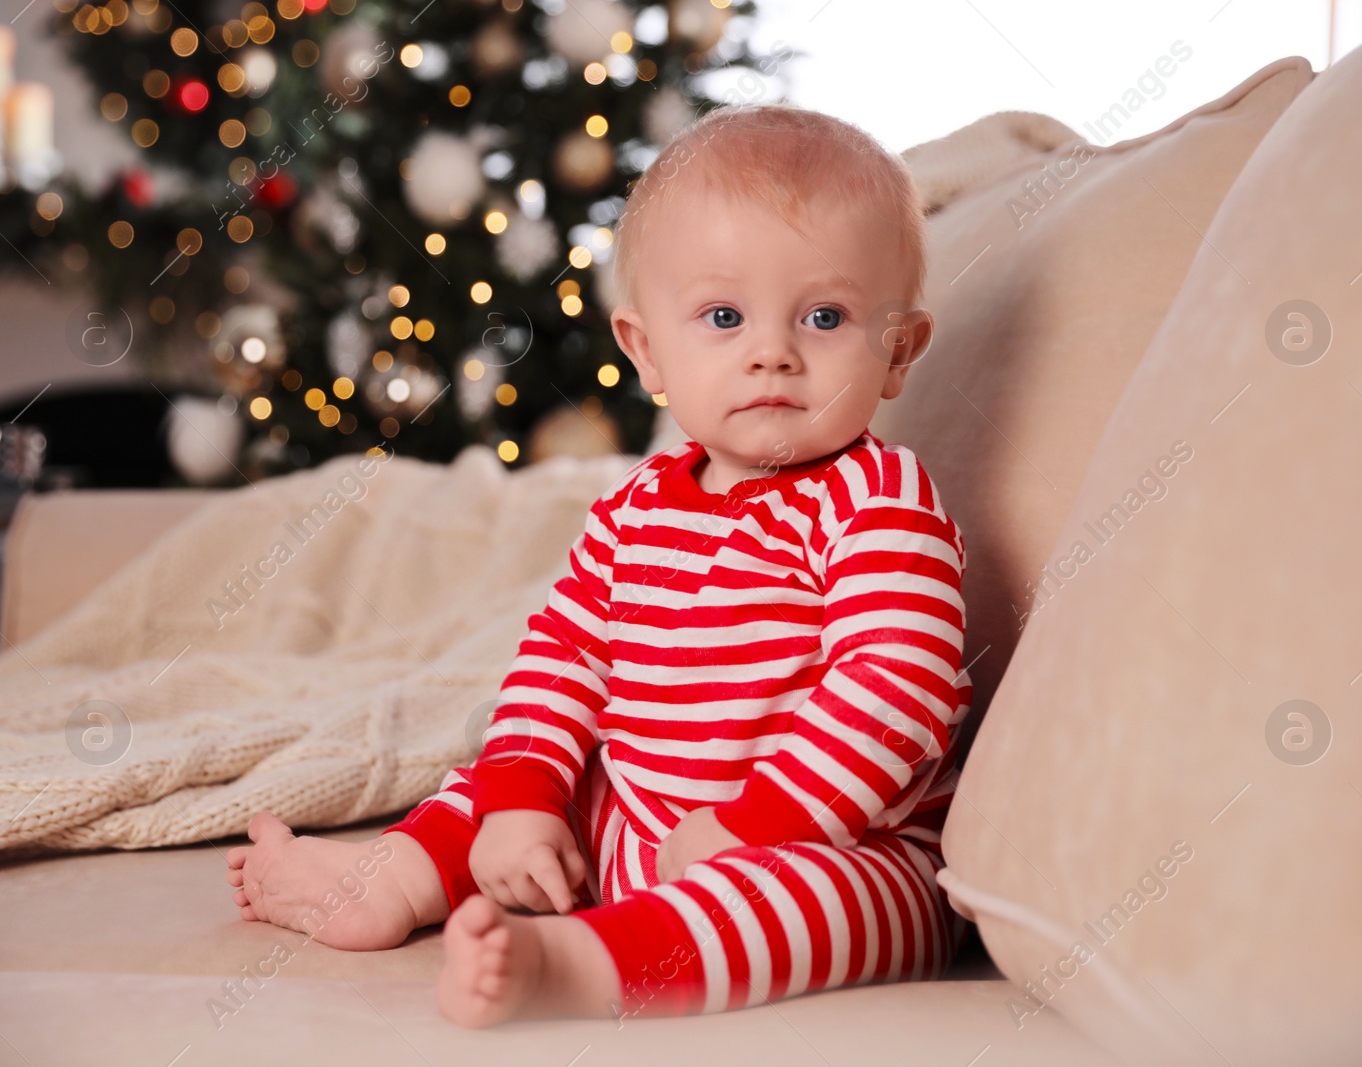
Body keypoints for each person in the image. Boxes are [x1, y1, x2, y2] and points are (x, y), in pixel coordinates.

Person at [226, 102, 973, 1028]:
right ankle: (395, 880)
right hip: (639, 827)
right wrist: (525, 805)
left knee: (833, 901)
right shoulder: (630, 515)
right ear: (647, 350)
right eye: (724, 316)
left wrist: (754, 826)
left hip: (828, 839)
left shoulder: (877, 501)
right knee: (516, 776)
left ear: (898, 349)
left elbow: (897, 686)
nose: (772, 353)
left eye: (825, 316)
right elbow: (560, 664)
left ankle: (582, 963)